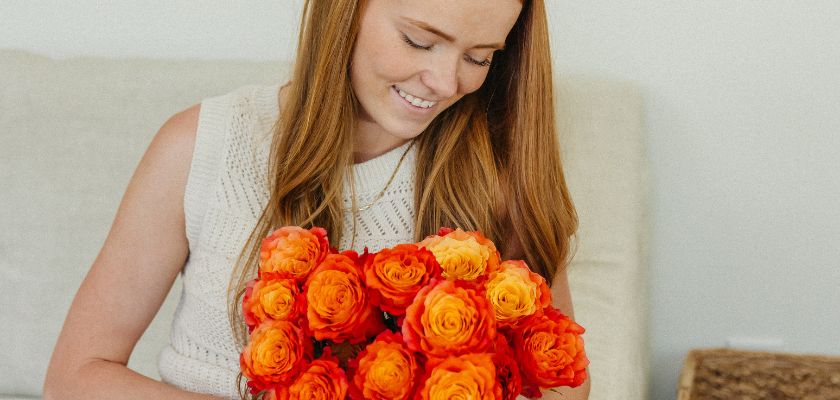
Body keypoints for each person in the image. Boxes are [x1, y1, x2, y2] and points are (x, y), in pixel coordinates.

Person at [44, 0, 590, 399]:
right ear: (345, 11)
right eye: (419, 41)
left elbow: (567, 386)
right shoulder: (203, 145)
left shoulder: (497, 180)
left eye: (480, 57)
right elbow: (74, 377)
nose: (445, 82)